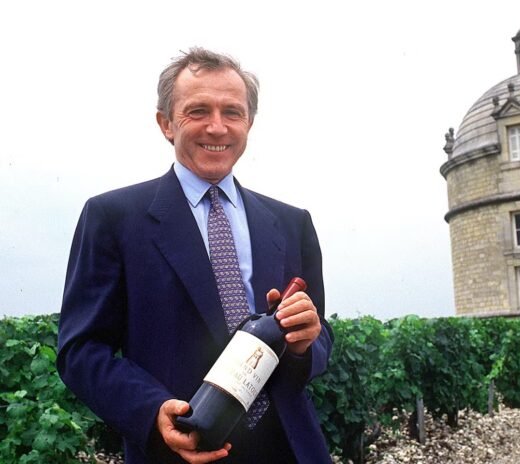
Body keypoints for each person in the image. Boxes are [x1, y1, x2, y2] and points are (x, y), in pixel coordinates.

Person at [57, 47, 333, 464]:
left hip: (291, 450)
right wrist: (151, 412)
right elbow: (80, 350)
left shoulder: (292, 222)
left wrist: (305, 344)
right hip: (180, 449)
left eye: (232, 112)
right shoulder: (112, 218)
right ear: (166, 123)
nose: (217, 127)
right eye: (198, 111)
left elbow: (319, 335)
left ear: (249, 123)